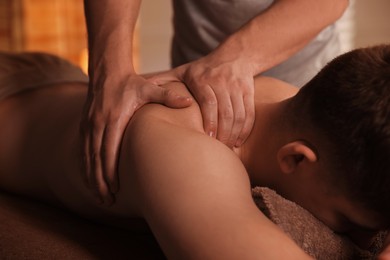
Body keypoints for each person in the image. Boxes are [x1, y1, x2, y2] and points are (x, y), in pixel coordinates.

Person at [0, 45, 389, 258]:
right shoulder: (186, 150)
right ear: (296, 159)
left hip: (56, 81)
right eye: (347, 220)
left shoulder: (292, 105)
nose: (357, 241)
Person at [82, 0, 351, 203]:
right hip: (196, 77)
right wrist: (110, 72)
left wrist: (231, 60)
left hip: (302, 79)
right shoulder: (184, 148)